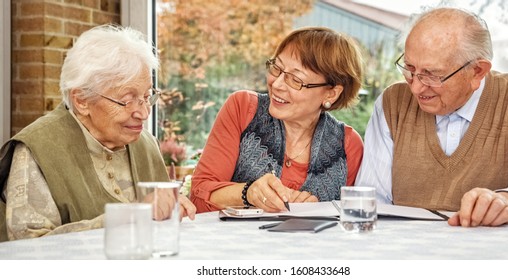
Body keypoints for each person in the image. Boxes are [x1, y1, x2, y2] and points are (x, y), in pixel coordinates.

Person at [0, 24, 196, 242]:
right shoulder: (36, 150)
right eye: (126, 100)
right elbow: (28, 248)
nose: (143, 113)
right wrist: (131, 216)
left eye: (147, 96)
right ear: (82, 100)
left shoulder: (146, 143)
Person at [355, 7, 508, 227]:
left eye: (432, 75)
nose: (416, 88)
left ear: (477, 72)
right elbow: (370, 199)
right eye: (409, 68)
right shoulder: (391, 104)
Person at [191, 27, 364, 213]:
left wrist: (320, 209)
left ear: (331, 93)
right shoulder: (243, 108)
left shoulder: (348, 146)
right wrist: (248, 193)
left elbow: (349, 220)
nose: (277, 84)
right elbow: (198, 199)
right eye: (277, 68)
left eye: (296, 79)